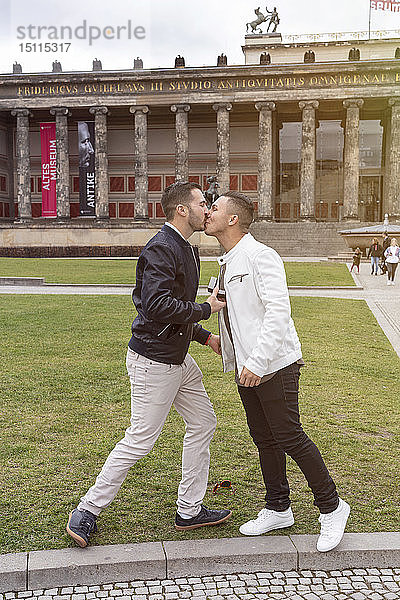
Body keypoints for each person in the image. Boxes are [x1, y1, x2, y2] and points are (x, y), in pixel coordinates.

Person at [66, 182, 232, 548]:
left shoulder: (186, 248)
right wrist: (207, 309)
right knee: (140, 439)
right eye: (202, 204)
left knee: (203, 421)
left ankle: (189, 510)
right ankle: (87, 510)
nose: (208, 210)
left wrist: (206, 338)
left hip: (177, 358)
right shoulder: (162, 247)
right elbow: (155, 306)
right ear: (182, 211)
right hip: (154, 362)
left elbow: (168, 307)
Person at [204, 191, 350, 553]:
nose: (208, 213)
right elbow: (239, 314)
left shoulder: (260, 255)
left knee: (290, 436)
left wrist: (257, 360)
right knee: (264, 438)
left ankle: (332, 507)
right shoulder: (228, 260)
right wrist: (232, 352)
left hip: (274, 365)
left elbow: (277, 312)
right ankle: (278, 507)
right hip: (246, 368)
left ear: (233, 219)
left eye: (215, 208)